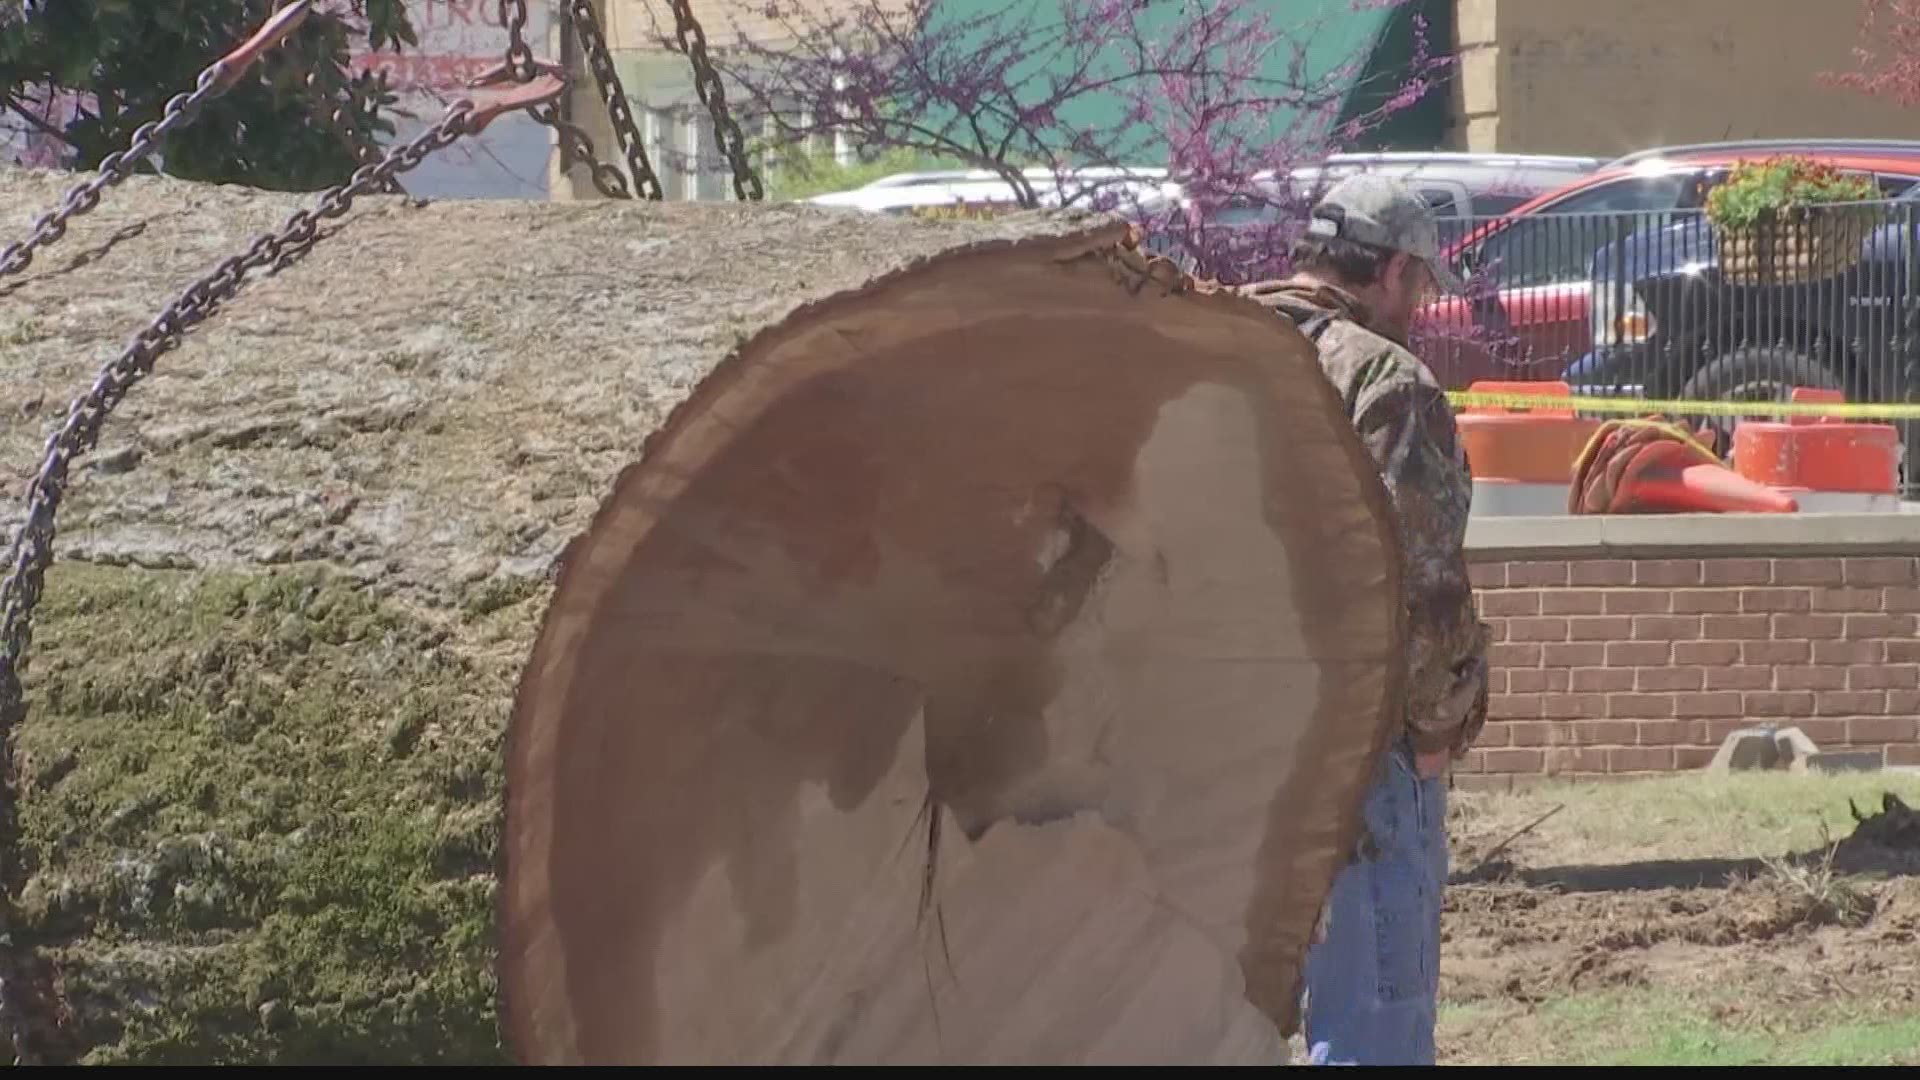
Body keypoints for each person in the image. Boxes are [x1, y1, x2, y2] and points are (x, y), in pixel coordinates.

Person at [1240, 174, 1491, 1066]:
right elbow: (1417, 582)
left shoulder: (1210, 342)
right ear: (1387, 269)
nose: (1421, 304)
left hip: (1205, 735)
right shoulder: (1383, 375)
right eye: (1419, 283)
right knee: (1373, 1014)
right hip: (1353, 743)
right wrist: (1433, 725)